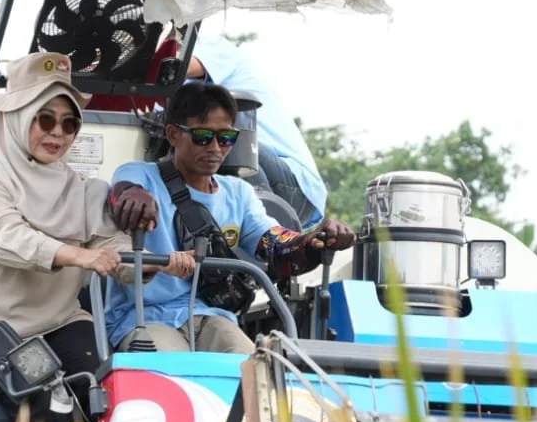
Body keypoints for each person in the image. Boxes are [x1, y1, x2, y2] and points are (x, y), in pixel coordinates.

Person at [0, 52, 165, 422]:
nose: (58, 133)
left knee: (112, 398)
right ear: (16, 118)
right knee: (58, 416)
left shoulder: (81, 188)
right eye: (44, 119)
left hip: (63, 323)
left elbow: (119, 254)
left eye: (70, 124)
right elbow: (9, 240)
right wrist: (81, 257)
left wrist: (156, 259)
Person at [105, 83, 356, 353]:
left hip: (211, 317)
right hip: (142, 317)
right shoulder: (139, 175)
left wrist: (314, 241)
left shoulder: (239, 193)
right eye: (203, 136)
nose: (215, 148)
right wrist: (133, 197)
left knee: (252, 369)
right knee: (172, 370)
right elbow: (123, 194)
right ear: (173, 134)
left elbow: (276, 246)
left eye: (226, 138)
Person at [185, 33, 330, 229]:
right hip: (243, 174)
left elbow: (176, 65)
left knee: (224, 142)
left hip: (293, 186)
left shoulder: (212, 46)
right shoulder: (171, 95)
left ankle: (263, 234)